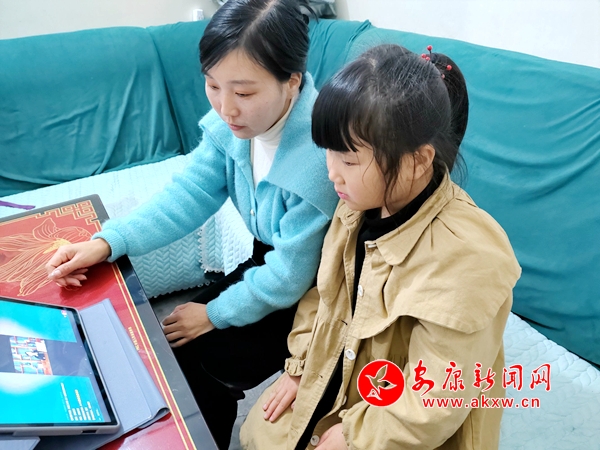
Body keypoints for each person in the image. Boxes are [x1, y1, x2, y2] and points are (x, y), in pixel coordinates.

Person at [45, 0, 339, 448]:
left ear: (292, 81)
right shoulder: (233, 132)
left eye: (244, 94)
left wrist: (213, 314)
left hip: (315, 296)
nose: (226, 108)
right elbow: (186, 196)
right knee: (167, 351)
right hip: (270, 266)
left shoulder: (318, 158)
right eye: (212, 85)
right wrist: (107, 242)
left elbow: (289, 276)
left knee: (198, 366)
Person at [240, 44, 522, 449]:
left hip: (408, 417)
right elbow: (323, 293)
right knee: (256, 433)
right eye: (329, 153)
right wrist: (300, 366)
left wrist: (355, 435)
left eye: (349, 160)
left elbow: (436, 399)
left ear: (418, 161)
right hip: (342, 370)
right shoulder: (356, 204)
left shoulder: (471, 257)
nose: (332, 172)